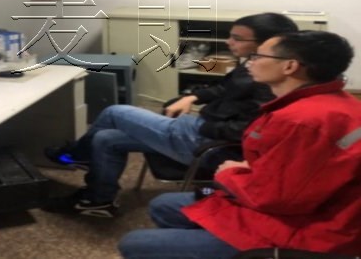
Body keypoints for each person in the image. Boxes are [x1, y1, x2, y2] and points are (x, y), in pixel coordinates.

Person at [118, 30, 361, 258]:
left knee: (133, 243)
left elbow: (275, 199)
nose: (250, 62)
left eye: (258, 56)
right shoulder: (332, 102)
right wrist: (249, 168)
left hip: (307, 231)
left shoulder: (301, 120)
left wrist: (230, 173)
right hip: (305, 210)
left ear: (289, 66)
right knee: (163, 205)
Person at [45, 13, 299, 217]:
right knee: (106, 139)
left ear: (268, 44)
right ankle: (98, 200)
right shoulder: (254, 66)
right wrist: (193, 97)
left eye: (237, 38)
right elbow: (225, 89)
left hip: (208, 143)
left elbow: (246, 130)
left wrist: (200, 127)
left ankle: (77, 155)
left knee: (115, 112)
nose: (229, 42)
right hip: (201, 129)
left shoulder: (272, 82)